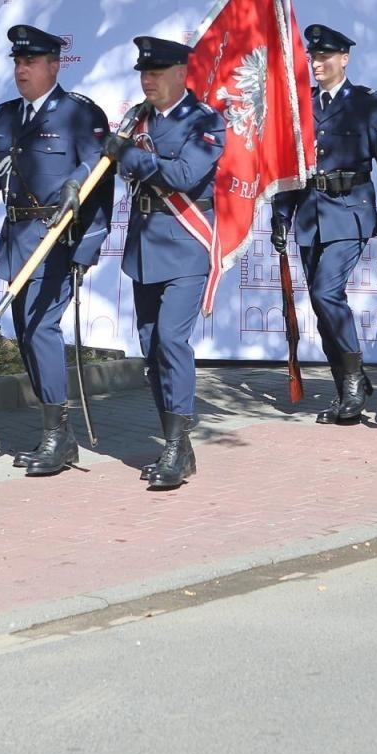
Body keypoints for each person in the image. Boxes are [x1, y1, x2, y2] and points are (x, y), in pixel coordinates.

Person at [0, 25, 112, 477]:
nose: (22, 70)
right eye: (17, 62)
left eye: (31, 62)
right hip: (16, 244)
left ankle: (57, 435)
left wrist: (86, 251)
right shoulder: (6, 117)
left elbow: (100, 184)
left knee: (41, 330)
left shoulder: (80, 115)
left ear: (54, 66)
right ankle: (57, 430)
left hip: (56, 244)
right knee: (27, 338)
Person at [101, 35, 225, 490]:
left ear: (180, 73)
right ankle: (181, 445)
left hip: (187, 247)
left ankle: (174, 447)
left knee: (173, 340)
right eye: (143, 73)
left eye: (155, 73)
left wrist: (128, 154)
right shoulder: (138, 119)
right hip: (144, 246)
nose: (147, 81)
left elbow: (185, 176)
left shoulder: (205, 121)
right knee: (153, 350)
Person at [270, 23, 377, 424]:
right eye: (314, 56)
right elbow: (289, 168)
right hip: (310, 213)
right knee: (320, 303)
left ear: (344, 58)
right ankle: (346, 387)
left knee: (327, 293)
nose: (318, 62)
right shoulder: (302, 106)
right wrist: (280, 215)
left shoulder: (365, 103)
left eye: (325, 56)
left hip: (350, 210)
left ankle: (356, 380)